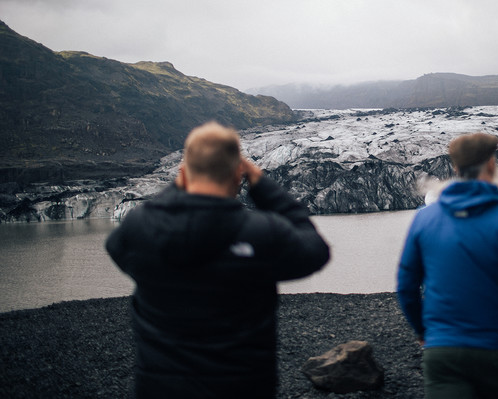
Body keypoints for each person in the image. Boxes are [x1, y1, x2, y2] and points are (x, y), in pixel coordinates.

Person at [106, 121, 330, 398]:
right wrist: (262, 185)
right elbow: (315, 249)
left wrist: (181, 184)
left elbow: (117, 247)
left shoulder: (141, 227)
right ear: (238, 174)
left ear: (183, 174)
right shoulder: (261, 232)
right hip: (243, 389)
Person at [397, 133, 498, 399]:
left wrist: (424, 331)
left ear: (455, 168)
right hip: (497, 349)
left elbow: (406, 286)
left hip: (442, 352)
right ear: (492, 165)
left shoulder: (424, 220)